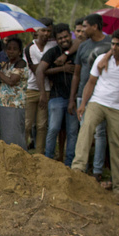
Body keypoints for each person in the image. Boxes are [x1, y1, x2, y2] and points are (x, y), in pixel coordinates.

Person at [75, 28, 119, 197]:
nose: (114, 48)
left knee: (118, 145)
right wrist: (83, 104)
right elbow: (91, 82)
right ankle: (77, 170)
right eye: (112, 44)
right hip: (98, 101)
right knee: (86, 129)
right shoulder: (102, 59)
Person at [70, 14, 112, 182]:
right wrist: (73, 97)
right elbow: (77, 73)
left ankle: (97, 170)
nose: (82, 29)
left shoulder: (110, 44)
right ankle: (81, 169)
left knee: (100, 133)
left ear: (95, 27)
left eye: (86, 26)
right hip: (83, 93)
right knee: (84, 131)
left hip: (102, 95)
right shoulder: (82, 45)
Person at [37, 24, 79, 164]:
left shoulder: (77, 49)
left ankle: (69, 162)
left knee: (72, 131)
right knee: (53, 128)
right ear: (56, 39)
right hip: (56, 96)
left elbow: (82, 40)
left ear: (70, 35)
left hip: (74, 98)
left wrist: (65, 55)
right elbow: (41, 71)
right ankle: (48, 160)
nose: (63, 40)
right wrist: (62, 69)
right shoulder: (53, 52)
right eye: (60, 38)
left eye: (66, 36)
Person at [24, 18, 56, 150]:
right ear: (37, 30)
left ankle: (39, 154)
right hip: (31, 88)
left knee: (42, 125)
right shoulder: (29, 48)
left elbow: (42, 69)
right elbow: (37, 70)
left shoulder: (53, 46)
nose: (46, 34)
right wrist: (54, 67)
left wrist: (45, 69)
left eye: (48, 31)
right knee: (27, 124)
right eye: (43, 30)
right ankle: (22, 150)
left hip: (47, 90)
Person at [0, 37, 29, 149]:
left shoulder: (21, 63)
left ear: (19, 51)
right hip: (3, 104)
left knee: (14, 135)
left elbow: (12, 81)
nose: (11, 51)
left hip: (15, 104)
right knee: (4, 135)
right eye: (9, 49)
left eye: (14, 49)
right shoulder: (6, 64)